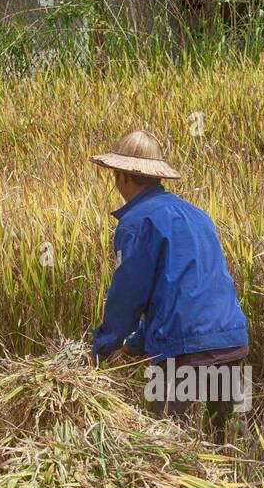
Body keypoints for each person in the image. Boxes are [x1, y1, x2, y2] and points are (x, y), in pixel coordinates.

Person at [89, 129, 250, 439]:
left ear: (122, 175)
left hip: (182, 351)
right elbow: (190, 289)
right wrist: (136, 344)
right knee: (232, 443)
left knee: (158, 445)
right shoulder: (198, 215)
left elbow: (128, 295)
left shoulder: (136, 222)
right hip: (232, 342)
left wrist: (103, 347)